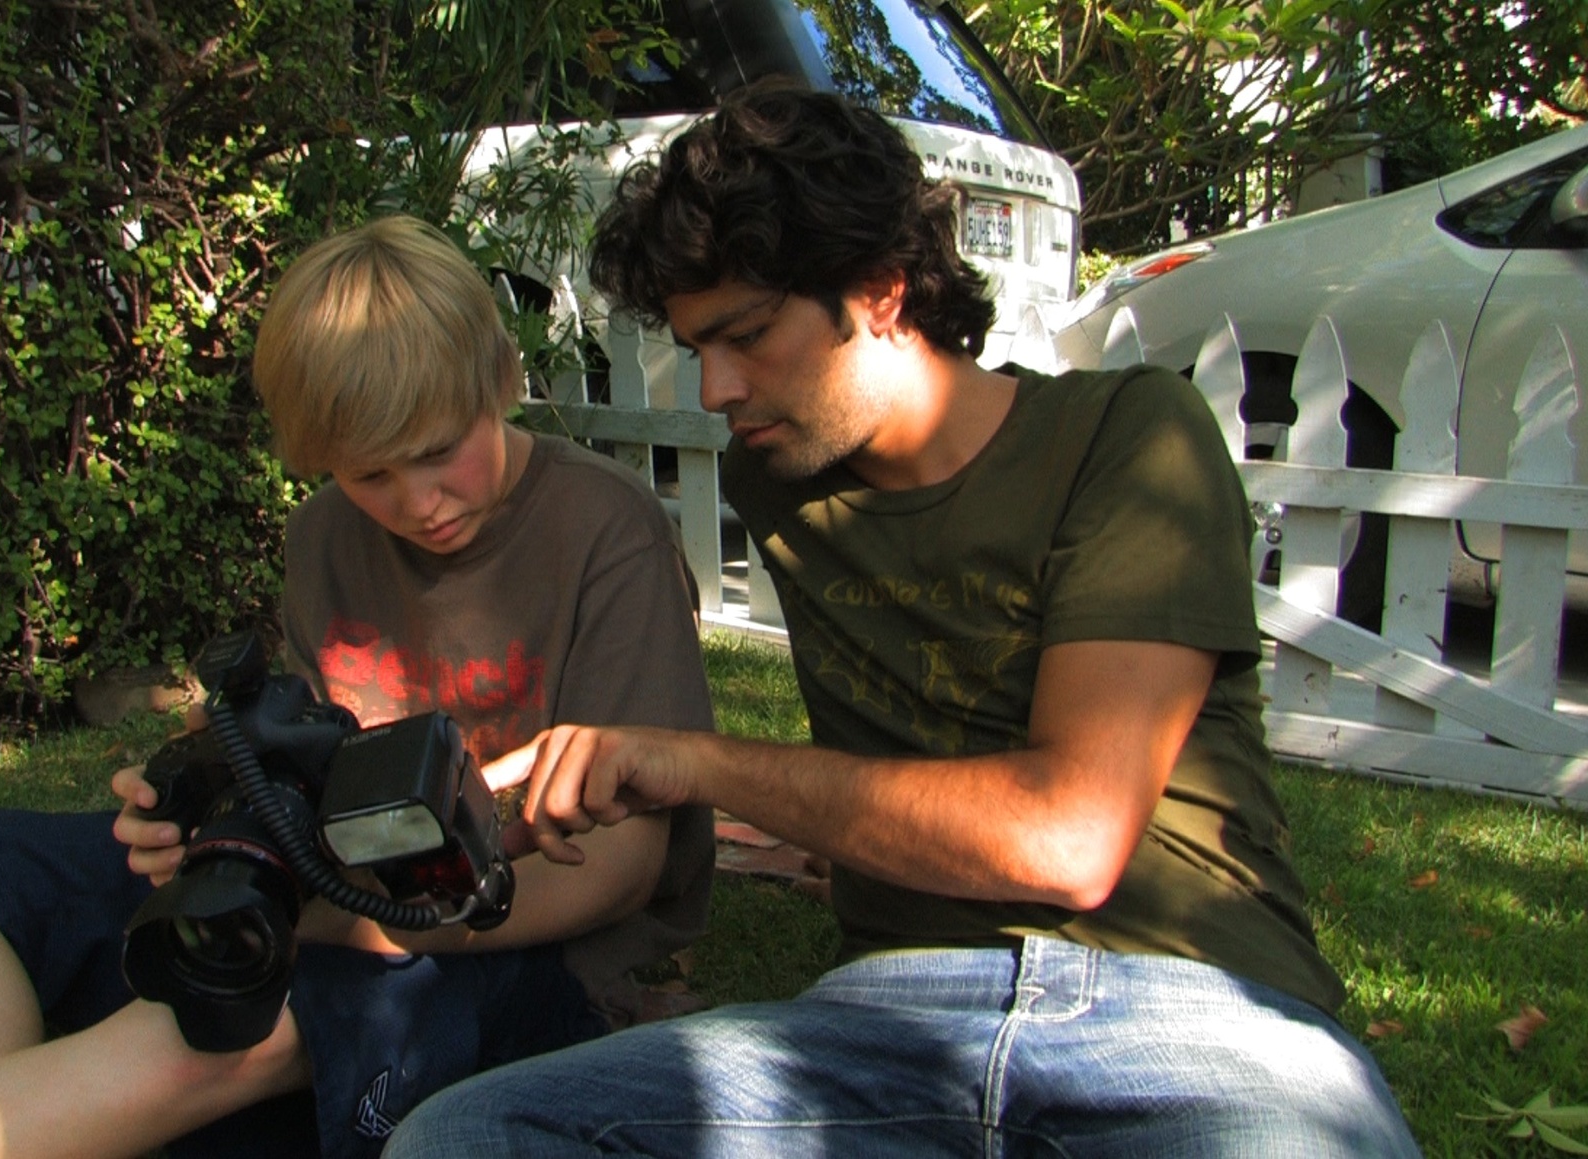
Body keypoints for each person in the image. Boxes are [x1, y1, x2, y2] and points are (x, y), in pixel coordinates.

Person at [383, 82, 1422, 1157]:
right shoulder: (778, 475)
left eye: (743, 336)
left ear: (881, 288)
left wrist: (687, 761)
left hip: (1187, 1008)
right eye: (697, 347)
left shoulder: (1126, 437)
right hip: (885, 1024)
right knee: (469, 1134)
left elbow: (1065, 839)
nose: (713, 390)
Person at [0, 215, 715, 1159]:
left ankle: (54, 1109)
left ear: (500, 379)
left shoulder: (606, 531)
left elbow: (626, 869)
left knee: (206, 1022)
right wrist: (208, 804)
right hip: (341, 894)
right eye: (372, 471)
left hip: (523, 947)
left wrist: (348, 926)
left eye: (440, 448)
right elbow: (317, 765)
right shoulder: (326, 535)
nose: (421, 501)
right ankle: (53, 1113)